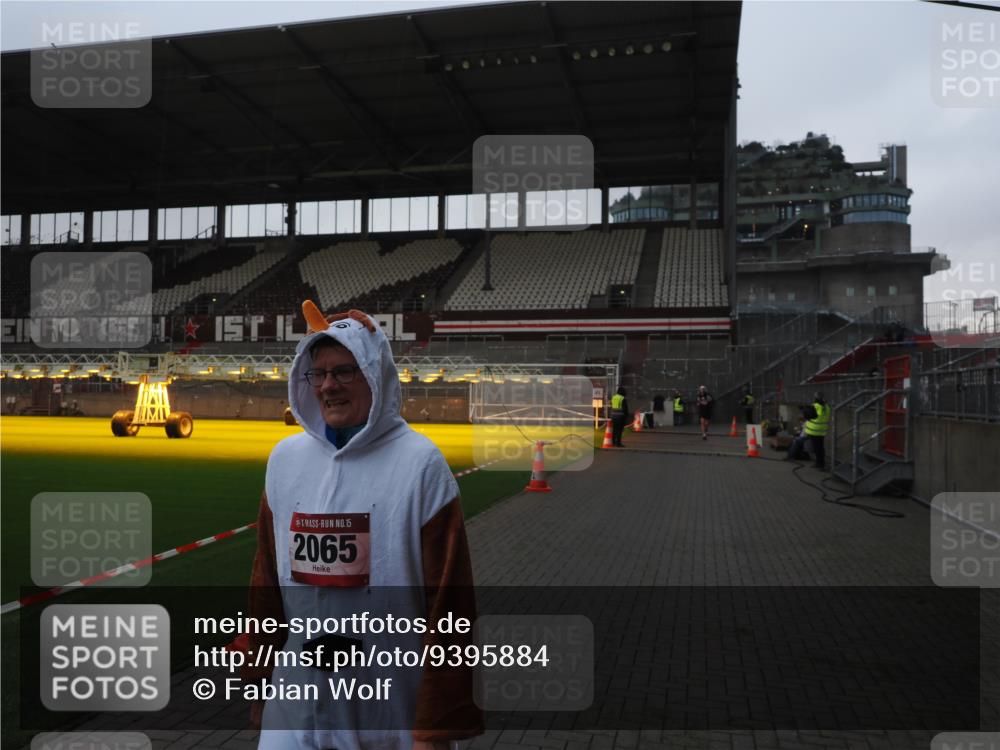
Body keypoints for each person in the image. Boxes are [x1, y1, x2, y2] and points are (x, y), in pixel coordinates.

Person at [243, 303, 483, 750]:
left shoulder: (420, 464)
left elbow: (450, 607)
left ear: (375, 374)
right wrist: (258, 678)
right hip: (293, 708)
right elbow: (265, 588)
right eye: (318, 374)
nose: (329, 386)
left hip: (388, 710)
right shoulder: (285, 461)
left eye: (344, 372)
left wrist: (435, 724)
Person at [786, 392, 830, 468]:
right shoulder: (826, 407)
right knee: (820, 448)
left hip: (813, 431)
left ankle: (790, 456)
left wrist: (804, 409)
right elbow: (817, 414)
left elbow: (808, 415)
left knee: (799, 441)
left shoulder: (815, 406)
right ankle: (820, 463)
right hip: (821, 431)